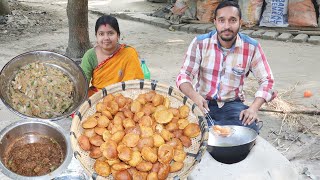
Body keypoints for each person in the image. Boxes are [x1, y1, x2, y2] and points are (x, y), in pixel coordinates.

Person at [176, 0, 276, 133]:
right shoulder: (200, 43)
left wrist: (253, 108)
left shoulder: (252, 47)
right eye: (222, 20)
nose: (227, 26)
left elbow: (267, 80)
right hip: (202, 103)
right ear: (215, 22)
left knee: (249, 129)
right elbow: (183, 76)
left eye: (232, 20)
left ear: (240, 22)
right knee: (186, 130)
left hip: (233, 105)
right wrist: (194, 96)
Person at [81, 15, 144, 97]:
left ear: (118, 35)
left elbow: (135, 84)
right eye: (101, 34)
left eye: (110, 33)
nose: (106, 38)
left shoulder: (129, 53)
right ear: (96, 36)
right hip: (97, 97)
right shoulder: (90, 56)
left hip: (124, 98)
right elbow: (82, 86)